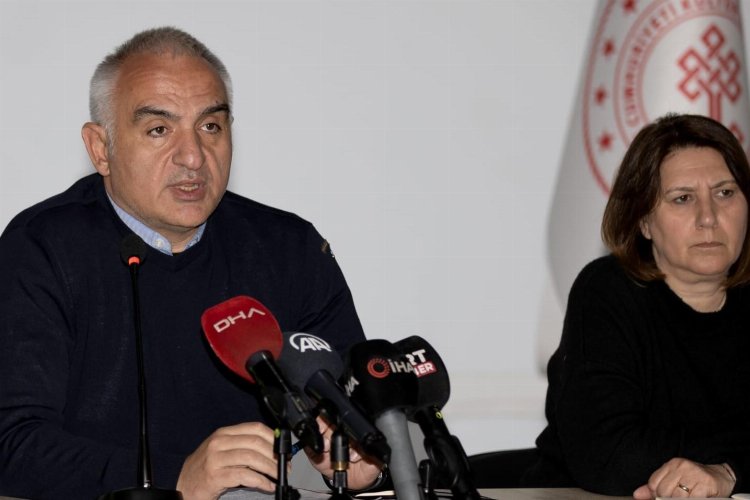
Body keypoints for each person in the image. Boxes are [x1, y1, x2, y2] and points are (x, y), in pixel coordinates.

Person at [0, 27, 382, 499]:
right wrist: (176, 478)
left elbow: (360, 410)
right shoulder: (41, 248)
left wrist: (355, 461)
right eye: (159, 130)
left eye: (210, 127)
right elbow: (12, 444)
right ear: (101, 148)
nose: (193, 156)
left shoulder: (288, 248)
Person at [522, 113, 750, 498]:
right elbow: (611, 456)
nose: (709, 217)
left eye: (725, 193)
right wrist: (735, 454)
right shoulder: (607, 291)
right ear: (644, 221)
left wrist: (729, 471)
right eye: (682, 198)